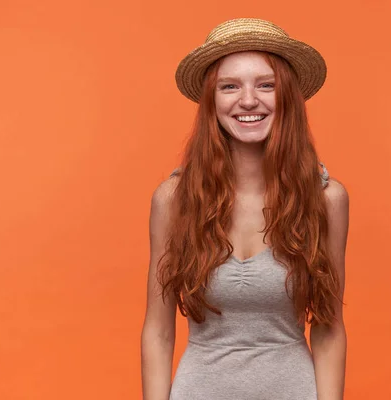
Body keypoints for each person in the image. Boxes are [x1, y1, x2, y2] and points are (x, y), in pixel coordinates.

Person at [141, 18, 349, 400]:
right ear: (212, 100)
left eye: (266, 85)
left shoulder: (326, 200)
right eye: (230, 86)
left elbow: (329, 327)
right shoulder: (173, 200)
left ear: (287, 96)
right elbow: (159, 331)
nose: (249, 100)